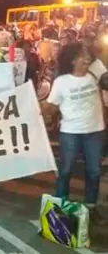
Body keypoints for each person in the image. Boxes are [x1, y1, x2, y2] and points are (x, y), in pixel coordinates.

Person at [42, 42, 106, 224]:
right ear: (71, 60)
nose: (86, 59)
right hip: (71, 133)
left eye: (87, 55)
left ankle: (91, 208)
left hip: (95, 131)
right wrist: (38, 106)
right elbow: (51, 107)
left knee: (93, 172)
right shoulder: (61, 82)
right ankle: (61, 208)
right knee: (65, 171)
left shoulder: (96, 73)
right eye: (81, 56)